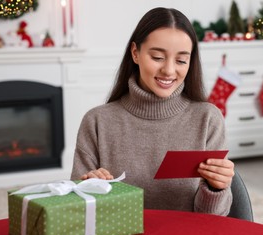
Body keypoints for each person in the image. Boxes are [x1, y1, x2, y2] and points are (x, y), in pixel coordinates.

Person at [71, 7, 235, 216]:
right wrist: (88, 189)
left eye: (181, 60)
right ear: (135, 53)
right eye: (157, 57)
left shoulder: (207, 118)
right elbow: (76, 211)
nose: (168, 70)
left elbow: (213, 220)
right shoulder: (97, 121)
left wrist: (217, 188)